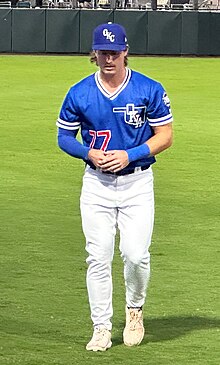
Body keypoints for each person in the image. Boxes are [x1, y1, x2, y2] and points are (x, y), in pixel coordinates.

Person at [56, 22, 173, 351]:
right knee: (98, 257)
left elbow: (165, 136)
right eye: (103, 52)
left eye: (115, 52)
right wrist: (87, 152)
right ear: (94, 53)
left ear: (126, 52)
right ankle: (101, 326)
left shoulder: (148, 89)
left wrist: (129, 154)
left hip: (137, 182)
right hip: (96, 185)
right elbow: (64, 137)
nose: (109, 58)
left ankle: (134, 309)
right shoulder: (79, 92)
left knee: (135, 256)